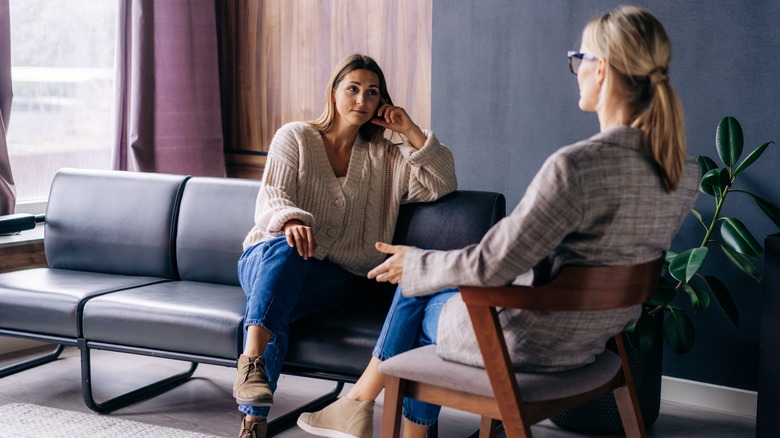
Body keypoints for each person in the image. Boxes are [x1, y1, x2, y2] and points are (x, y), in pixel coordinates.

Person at [296, 6, 700, 438]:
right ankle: (358, 405)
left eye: (578, 59)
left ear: (600, 70)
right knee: (424, 278)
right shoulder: (681, 172)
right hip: (592, 339)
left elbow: (493, 263)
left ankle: (357, 404)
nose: (575, 69)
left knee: (414, 290)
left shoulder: (577, 166)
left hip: (527, 341)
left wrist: (416, 264)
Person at [234, 53, 457, 438]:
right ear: (333, 93)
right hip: (267, 256)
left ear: (381, 103)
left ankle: (254, 421)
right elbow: (271, 195)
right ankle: (252, 365)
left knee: (278, 304)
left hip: (334, 276)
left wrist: (411, 130)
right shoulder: (296, 136)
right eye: (352, 88)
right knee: (287, 256)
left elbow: (442, 182)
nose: (361, 99)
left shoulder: (386, 157)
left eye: (372, 93)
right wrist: (291, 220)